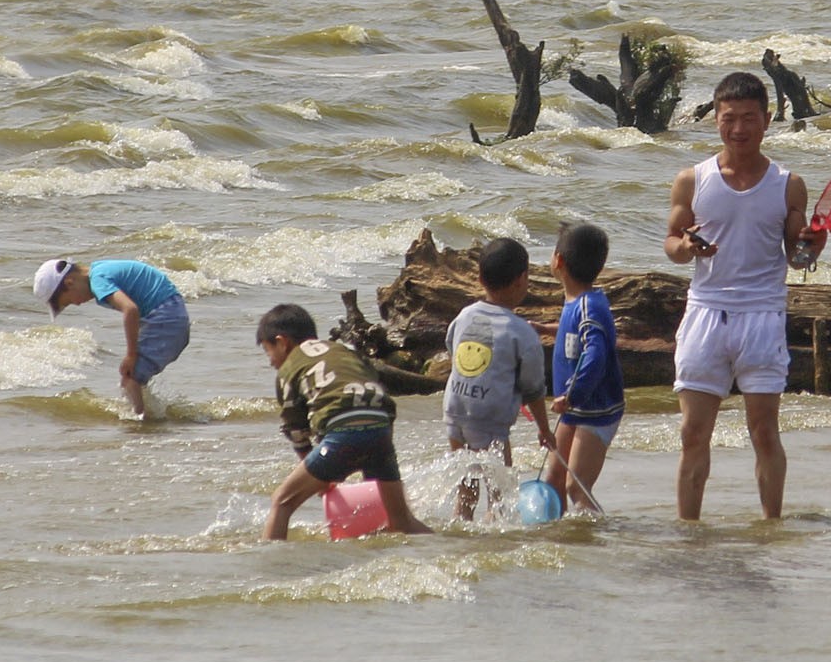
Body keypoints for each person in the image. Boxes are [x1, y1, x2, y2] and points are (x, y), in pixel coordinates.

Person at [664, 71, 824, 522]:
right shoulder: (691, 181)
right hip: (705, 315)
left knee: (764, 433)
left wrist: (813, 245)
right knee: (693, 434)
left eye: (749, 118)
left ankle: (772, 527)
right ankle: (687, 532)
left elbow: (797, 257)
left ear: (767, 120)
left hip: (762, 316)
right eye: (729, 118)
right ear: (714, 119)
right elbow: (673, 246)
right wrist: (687, 246)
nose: (739, 129)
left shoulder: (787, 183)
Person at [258, 303, 430, 540]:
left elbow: (297, 433)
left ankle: (269, 566)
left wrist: (323, 479)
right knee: (401, 522)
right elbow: (378, 393)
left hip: (344, 433)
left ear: (282, 341)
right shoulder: (344, 350)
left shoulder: (288, 369)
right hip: (381, 429)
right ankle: (451, 550)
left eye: (268, 351)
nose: (270, 361)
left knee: (282, 501)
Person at [443, 236, 556, 516]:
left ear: (479, 278)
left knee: (466, 489)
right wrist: (544, 429)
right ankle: (496, 537)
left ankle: (460, 531)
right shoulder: (522, 332)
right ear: (522, 280)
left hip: (455, 410)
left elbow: (452, 348)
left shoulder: (465, 315)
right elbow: (533, 389)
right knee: (500, 492)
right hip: (490, 418)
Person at [35, 255, 188, 418]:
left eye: (70, 301)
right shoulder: (99, 268)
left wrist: (131, 355)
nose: (78, 304)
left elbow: (130, 309)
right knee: (134, 380)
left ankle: (140, 427)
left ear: (69, 283)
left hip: (166, 318)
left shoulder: (98, 281)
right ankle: (150, 418)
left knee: (130, 379)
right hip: (172, 313)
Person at [549, 221, 624, 511]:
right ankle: (559, 540)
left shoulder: (588, 306)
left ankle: (596, 545)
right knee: (554, 476)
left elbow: (595, 354)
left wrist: (572, 395)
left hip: (596, 410)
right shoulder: (578, 302)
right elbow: (577, 336)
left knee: (576, 486)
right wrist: (545, 329)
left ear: (559, 261)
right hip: (575, 408)